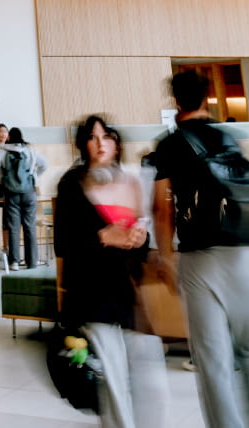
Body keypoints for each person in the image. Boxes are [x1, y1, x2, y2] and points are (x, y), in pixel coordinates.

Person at [152, 70, 249, 428]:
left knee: (213, 362)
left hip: (199, 259)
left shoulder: (171, 144)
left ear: (175, 101)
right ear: (207, 98)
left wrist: (164, 256)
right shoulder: (230, 137)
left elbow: (162, 208)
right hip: (244, 254)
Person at [55, 115, 168, 428]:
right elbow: (64, 243)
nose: (100, 143)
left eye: (106, 136)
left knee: (152, 384)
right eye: (92, 137)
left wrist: (140, 239)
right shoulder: (72, 184)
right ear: (83, 145)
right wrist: (102, 236)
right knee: (114, 384)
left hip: (128, 294)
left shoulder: (129, 182)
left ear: (117, 143)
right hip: (92, 294)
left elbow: (141, 239)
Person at [0, 127, 47, 269]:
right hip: (29, 192)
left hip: (11, 192)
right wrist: (34, 177)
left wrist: (0, 178)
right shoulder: (29, 149)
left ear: (9, 137)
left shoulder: (3, 150)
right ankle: (32, 262)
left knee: (13, 228)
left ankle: (14, 262)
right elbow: (45, 165)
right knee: (30, 227)